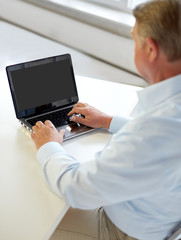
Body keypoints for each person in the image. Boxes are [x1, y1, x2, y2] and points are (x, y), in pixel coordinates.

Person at [31, 0, 181, 239]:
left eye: (135, 40)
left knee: (31, 220)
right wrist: (109, 120)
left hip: (122, 231)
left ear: (151, 50)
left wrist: (49, 146)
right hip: (156, 213)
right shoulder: (168, 116)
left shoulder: (153, 130)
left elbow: (76, 189)